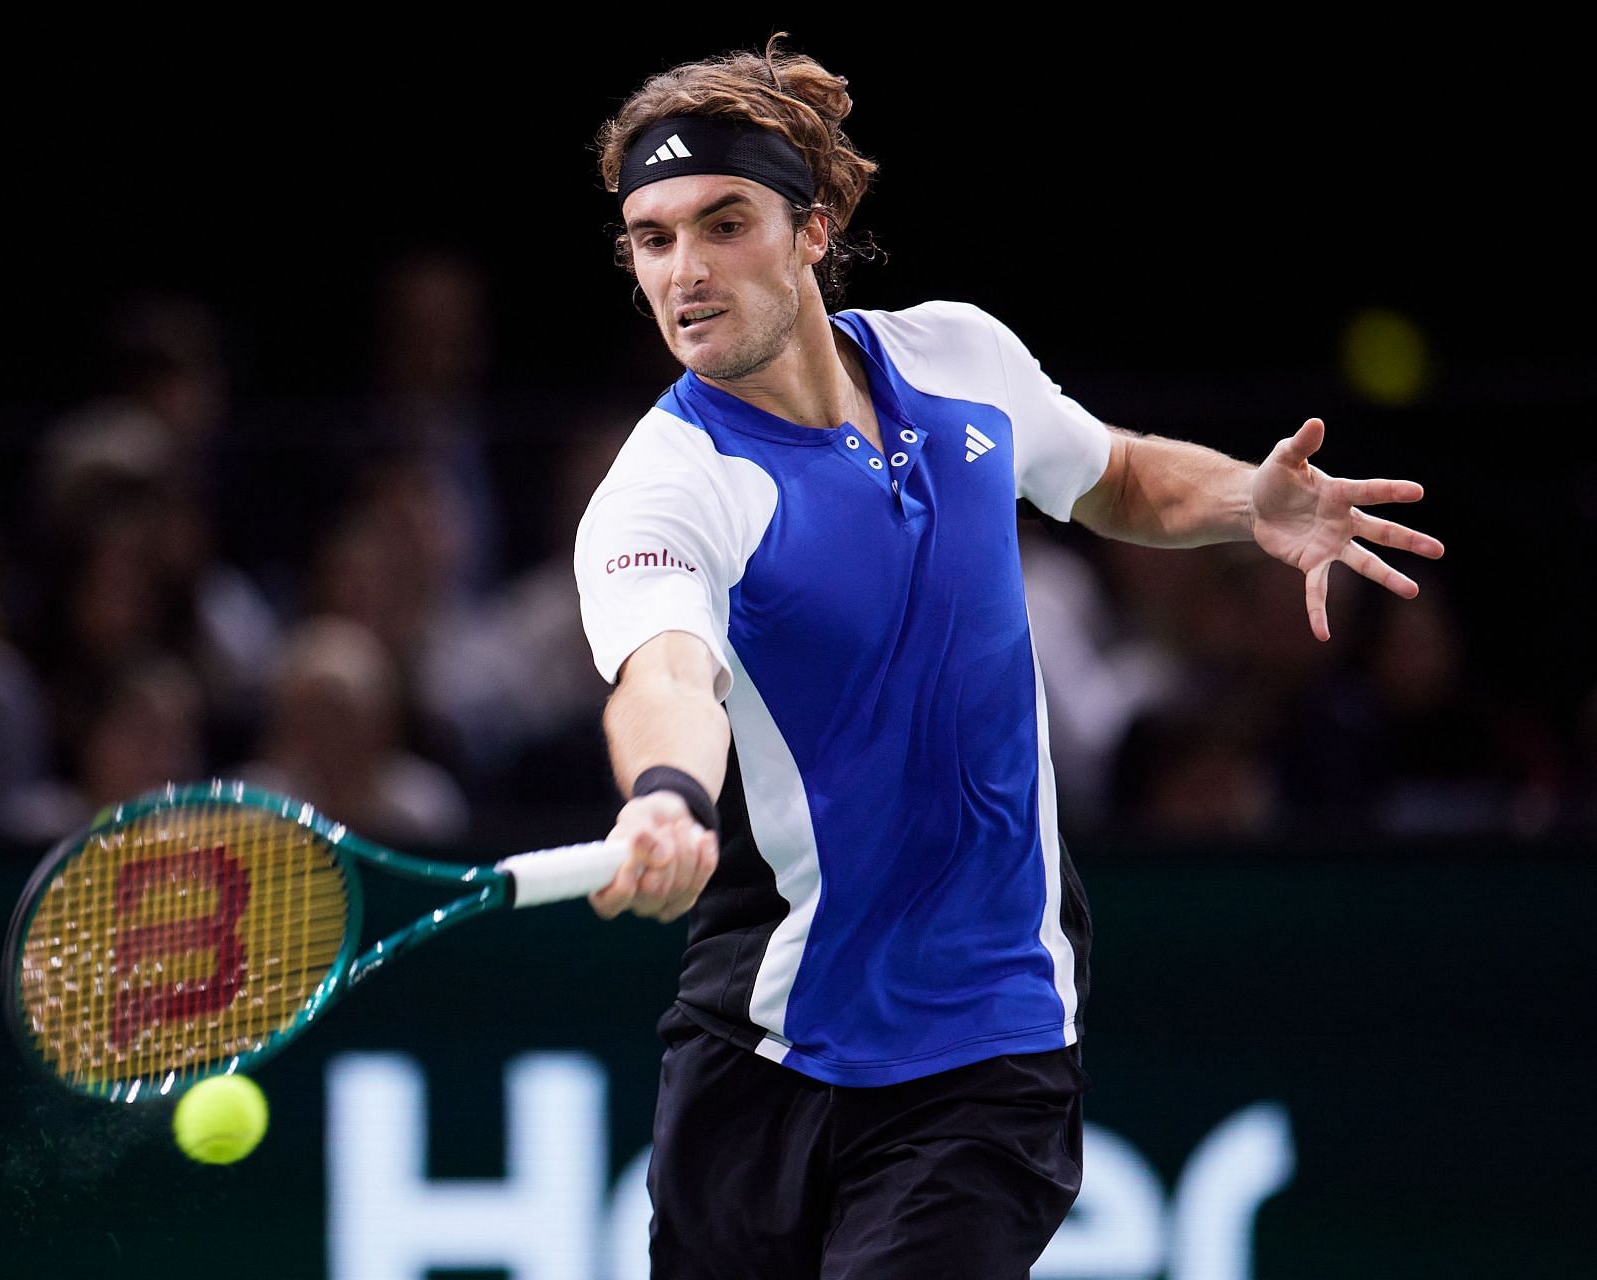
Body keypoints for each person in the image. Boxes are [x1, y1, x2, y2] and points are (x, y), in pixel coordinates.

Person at [573, 38, 1445, 1280]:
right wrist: (664, 794)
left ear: (813, 229)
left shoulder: (958, 359)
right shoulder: (663, 491)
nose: (687, 271)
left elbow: (1117, 474)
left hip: (988, 1035)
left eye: (725, 222)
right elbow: (667, 673)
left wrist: (1250, 501)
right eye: (654, 240)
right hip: (762, 1036)